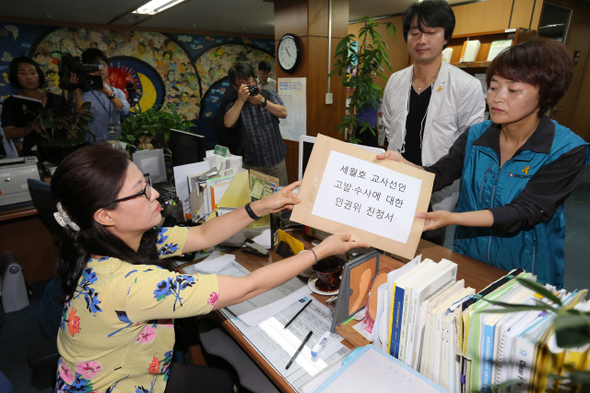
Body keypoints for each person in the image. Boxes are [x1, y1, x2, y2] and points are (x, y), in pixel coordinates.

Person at [51, 144, 366, 392]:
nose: (155, 193)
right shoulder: (126, 284)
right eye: (141, 190)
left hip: (130, 371)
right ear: (105, 215)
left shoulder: (114, 242)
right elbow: (248, 287)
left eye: (147, 183)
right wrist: (321, 252)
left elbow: (201, 234)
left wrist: (260, 206)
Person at [378, 37, 590, 289]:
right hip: (471, 255)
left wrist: (453, 218)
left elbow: (525, 211)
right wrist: (407, 167)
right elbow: (443, 172)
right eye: (493, 87)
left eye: (513, 90)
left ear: (546, 95)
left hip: (528, 266)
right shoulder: (476, 135)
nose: (498, 98)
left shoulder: (566, 149)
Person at [382, 0, 486, 245]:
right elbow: (388, 126)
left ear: (446, 37)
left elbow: (469, 142)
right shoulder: (395, 81)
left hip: (437, 184)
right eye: (414, 33)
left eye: (430, 33)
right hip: (397, 181)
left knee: (428, 249)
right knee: (388, 242)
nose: (421, 40)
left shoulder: (466, 86)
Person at [224, 62, 288, 185]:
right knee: (256, 201)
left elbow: (283, 113)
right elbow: (228, 123)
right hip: (253, 164)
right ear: (235, 87)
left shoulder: (270, 95)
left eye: (249, 83)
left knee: (282, 198)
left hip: (276, 161)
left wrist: (263, 101)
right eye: (241, 85)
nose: (247, 87)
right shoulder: (235, 105)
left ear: (255, 80)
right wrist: (241, 100)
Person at [1, 57, 64, 156]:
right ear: (15, 77)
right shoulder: (11, 102)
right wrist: (32, 127)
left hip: (59, 152)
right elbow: (9, 133)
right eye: (22, 73)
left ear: (39, 74)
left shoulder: (56, 99)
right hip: (32, 155)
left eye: (32, 72)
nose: (29, 77)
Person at [73, 48, 130, 144]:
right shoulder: (81, 94)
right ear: (87, 69)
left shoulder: (116, 92)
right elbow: (80, 117)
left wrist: (107, 92)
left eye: (103, 65)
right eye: (96, 65)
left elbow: (125, 110)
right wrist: (77, 92)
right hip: (91, 146)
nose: (101, 69)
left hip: (115, 144)